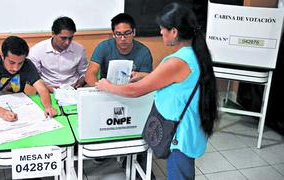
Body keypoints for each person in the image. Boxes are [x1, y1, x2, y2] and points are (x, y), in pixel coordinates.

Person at [96, 2, 218, 180]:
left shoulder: (177, 61)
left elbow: (135, 91)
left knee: (180, 174)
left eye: (162, 29)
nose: (160, 33)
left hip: (179, 133)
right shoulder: (195, 53)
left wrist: (107, 86)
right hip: (191, 124)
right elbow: (177, 82)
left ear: (174, 31)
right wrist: (145, 76)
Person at [0, 36, 57, 156]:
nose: (16, 68)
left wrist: (48, 106)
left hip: (17, 108)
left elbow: (42, 88)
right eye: (12, 62)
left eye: (20, 63)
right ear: (2, 56)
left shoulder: (28, 65)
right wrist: (2, 112)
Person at [85, 13, 153, 86]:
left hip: (133, 91)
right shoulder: (103, 47)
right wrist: (99, 87)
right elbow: (89, 75)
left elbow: (147, 79)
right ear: (113, 35)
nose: (123, 38)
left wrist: (141, 76)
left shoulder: (144, 52)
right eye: (118, 34)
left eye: (127, 33)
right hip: (106, 91)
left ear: (134, 32)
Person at [28, 16, 88, 92]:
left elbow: (85, 73)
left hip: (73, 91)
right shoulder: (37, 50)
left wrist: (79, 84)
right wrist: (47, 88)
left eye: (70, 38)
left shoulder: (79, 49)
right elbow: (32, 78)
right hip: (47, 91)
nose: (67, 42)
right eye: (63, 38)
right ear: (53, 34)